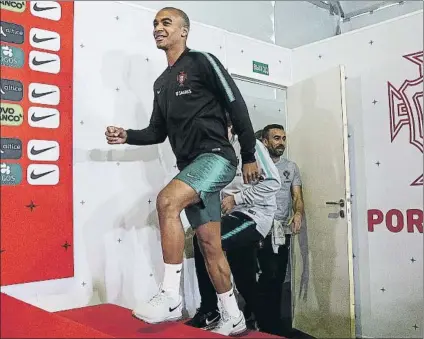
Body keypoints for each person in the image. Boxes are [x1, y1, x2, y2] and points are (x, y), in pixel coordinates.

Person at [104, 7, 259, 336]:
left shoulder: (202, 61)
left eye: (166, 23)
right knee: (209, 245)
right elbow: (156, 132)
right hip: (192, 166)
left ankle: (171, 296)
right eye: (155, 24)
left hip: (216, 157)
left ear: (184, 31)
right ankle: (233, 315)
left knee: (167, 202)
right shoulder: (161, 83)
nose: (158, 28)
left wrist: (248, 154)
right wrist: (128, 136)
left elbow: (236, 104)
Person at [185, 120, 281, 333]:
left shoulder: (251, 146)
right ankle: (268, 327)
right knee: (246, 281)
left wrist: (237, 199)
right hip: (232, 216)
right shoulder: (217, 149)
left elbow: (274, 182)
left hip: (255, 215)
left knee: (205, 240)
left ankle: (211, 310)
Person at [257, 124, 304, 336]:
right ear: (265, 141)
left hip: (280, 231)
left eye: (283, 138)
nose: (281, 143)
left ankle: (271, 322)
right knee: (263, 275)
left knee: (276, 276)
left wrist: (298, 213)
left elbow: (297, 196)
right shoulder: (254, 165)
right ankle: (261, 321)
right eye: (276, 138)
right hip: (257, 228)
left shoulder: (291, 167)